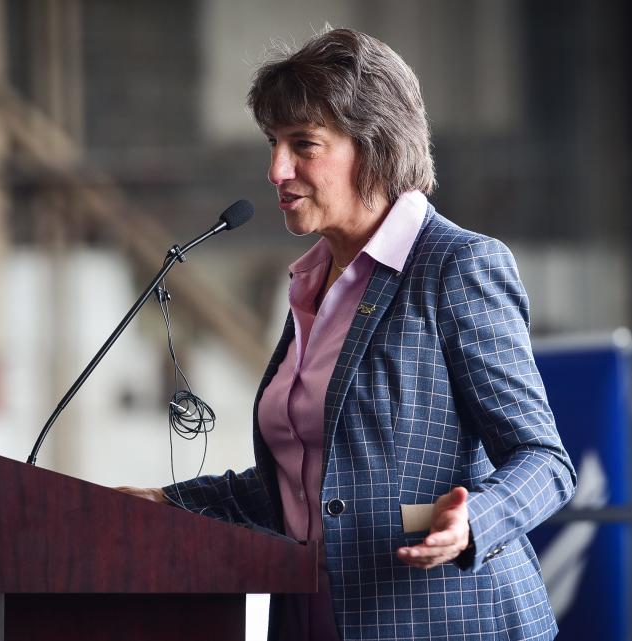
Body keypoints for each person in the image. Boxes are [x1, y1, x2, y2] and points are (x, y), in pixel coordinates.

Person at [119, 27, 576, 641]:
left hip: (448, 623)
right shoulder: (311, 283)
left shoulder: (456, 266)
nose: (276, 169)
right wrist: (165, 505)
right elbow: (310, 490)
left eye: (303, 144)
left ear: (375, 147)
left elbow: (545, 462)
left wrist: (472, 523)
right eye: (273, 144)